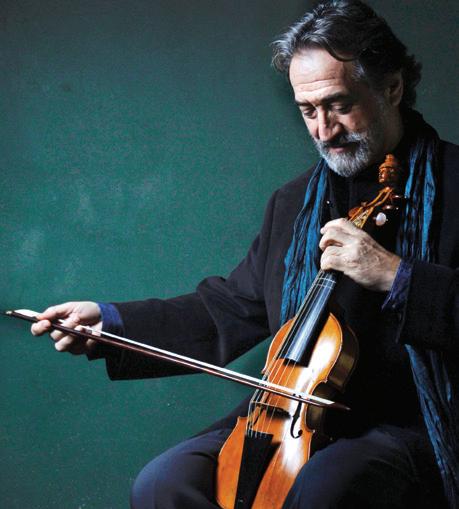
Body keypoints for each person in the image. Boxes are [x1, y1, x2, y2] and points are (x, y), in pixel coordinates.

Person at [31, 1, 458, 508]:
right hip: (291, 417)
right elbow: (231, 308)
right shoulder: (294, 203)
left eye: (339, 104)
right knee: (163, 481)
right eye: (308, 111)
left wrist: (395, 275)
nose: (324, 130)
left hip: (413, 421)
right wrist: (109, 323)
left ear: (392, 89)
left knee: (328, 486)